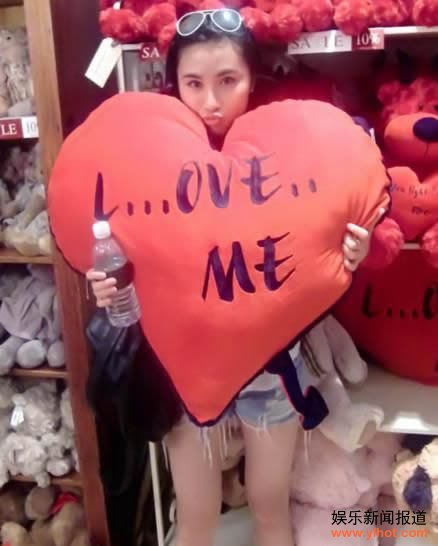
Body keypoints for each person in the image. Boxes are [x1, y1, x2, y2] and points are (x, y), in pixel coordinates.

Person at [87, 9, 383, 546]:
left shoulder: (290, 156)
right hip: (186, 370)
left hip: (273, 369)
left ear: (252, 78)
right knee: (197, 515)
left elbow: (313, 248)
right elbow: (132, 256)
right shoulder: (148, 165)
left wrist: (349, 250)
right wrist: (113, 287)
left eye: (228, 80)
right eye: (193, 84)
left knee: (269, 505)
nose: (211, 101)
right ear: (173, 86)